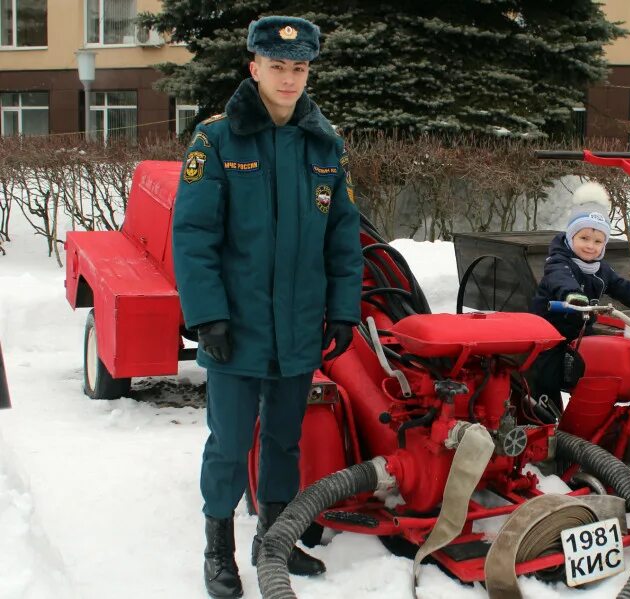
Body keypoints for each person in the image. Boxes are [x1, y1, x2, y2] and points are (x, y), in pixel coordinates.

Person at [172, 15, 362, 599]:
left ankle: (274, 543)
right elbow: (194, 234)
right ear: (253, 67)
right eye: (277, 66)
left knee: (284, 439)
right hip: (237, 327)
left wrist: (342, 311)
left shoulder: (324, 145)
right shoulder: (218, 139)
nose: (288, 78)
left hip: (297, 329)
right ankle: (219, 552)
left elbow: (342, 239)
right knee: (229, 443)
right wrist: (207, 316)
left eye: (299, 68)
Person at [528, 195, 630, 411]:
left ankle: (591, 413)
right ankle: (545, 417)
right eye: (584, 238)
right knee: (546, 374)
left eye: (598, 241)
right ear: (571, 238)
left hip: (581, 328)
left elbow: (623, 288)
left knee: (601, 365)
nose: (590, 246)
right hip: (549, 330)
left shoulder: (601, 269)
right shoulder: (559, 262)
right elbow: (561, 278)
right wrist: (572, 295)